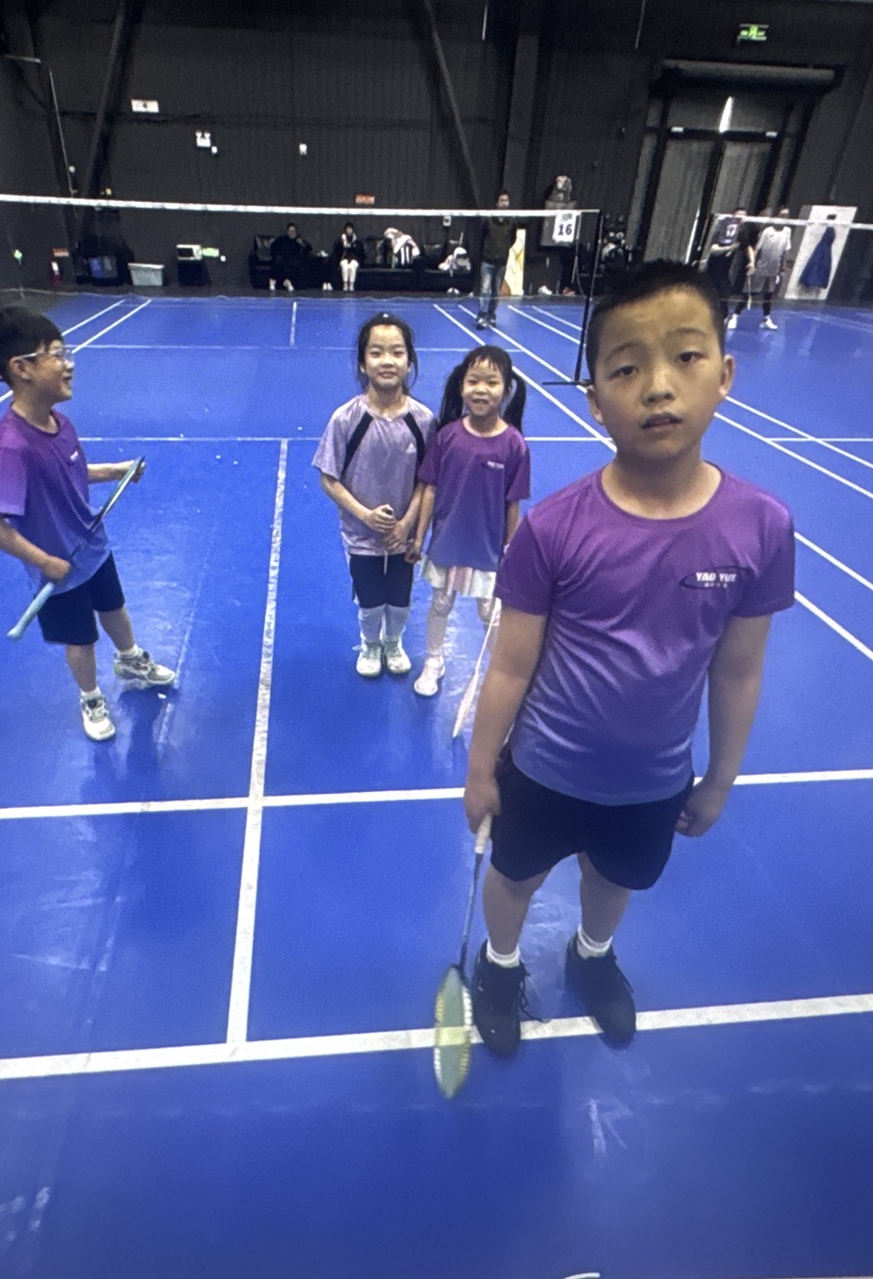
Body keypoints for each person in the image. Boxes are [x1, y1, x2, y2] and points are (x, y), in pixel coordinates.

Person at [461, 261, 795, 1058]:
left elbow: (738, 669)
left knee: (614, 880)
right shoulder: (552, 529)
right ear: (594, 400)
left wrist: (720, 778)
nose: (658, 387)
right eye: (626, 368)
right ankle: (499, 964)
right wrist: (480, 768)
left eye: (686, 355)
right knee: (515, 878)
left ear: (725, 374)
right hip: (543, 769)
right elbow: (509, 665)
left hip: (653, 781)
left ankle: (592, 953)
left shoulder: (761, 527)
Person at [0, 308, 176, 742]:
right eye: (57, 354)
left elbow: (72, 472)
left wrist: (115, 471)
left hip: (92, 547)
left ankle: (130, 660)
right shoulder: (13, 446)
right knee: (80, 639)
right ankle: (91, 696)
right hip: (58, 568)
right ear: (22, 368)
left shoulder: (59, 423)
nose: (69, 364)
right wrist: (44, 561)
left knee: (114, 609)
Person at [314, 313, 439, 677]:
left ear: (409, 361)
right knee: (370, 599)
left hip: (403, 537)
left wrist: (408, 526)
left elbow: (427, 481)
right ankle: (370, 643)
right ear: (362, 362)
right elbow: (329, 479)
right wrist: (365, 515)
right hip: (360, 535)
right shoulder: (345, 419)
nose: (387, 361)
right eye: (376, 352)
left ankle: (393, 641)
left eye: (397, 352)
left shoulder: (423, 420)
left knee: (400, 598)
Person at [411, 345, 531, 697]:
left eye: (491, 382)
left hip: (487, 547)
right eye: (473, 381)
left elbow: (512, 504)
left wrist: (510, 550)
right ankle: (434, 660)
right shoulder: (447, 436)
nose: (481, 390)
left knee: (490, 612)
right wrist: (418, 538)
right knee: (440, 603)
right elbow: (430, 489)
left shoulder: (514, 445)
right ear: (461, 385)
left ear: (506, 390)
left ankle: (500, 671)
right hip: (448, 541)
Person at [733, 206, 792, 331]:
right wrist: (753, 264)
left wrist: (782, 269)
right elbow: (757, 249)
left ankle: (766, 319)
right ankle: (735, 316)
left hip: (774, 269)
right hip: (761, 267)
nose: (784, 218)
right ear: (777, 216)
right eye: (782, 215)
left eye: (786, 216)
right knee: (750, 293)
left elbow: (785, 251)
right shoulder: (767, 231)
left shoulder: (787, 231)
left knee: (768, 295)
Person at [477, 192, 518, 329]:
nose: (504, 203)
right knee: (485, 290)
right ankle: (482, 316)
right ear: (497, 203)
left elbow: (513, 239)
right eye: (502, 200)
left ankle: (491, 316)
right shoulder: (488, 219)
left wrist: (503, 249)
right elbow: (481, 237)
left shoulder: (511, 221)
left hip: (502, 262)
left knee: (496, 292)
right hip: (487, 261)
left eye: (506, 200)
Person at [703, 207, 747, 308]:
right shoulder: (721, 231)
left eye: (743, 217)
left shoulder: (740, 234)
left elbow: (747, 247)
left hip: (724, 272)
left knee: (723, 299)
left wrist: (752, 262)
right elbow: (713, 250)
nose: (741, 219)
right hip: (712, 270)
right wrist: (730, 248)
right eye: (739, 216)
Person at [268, 222, 307, 291]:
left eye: (294, 231)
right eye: (290, 231)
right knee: (278, 265)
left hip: (295, 262)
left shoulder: (299, 240)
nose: (292, 233)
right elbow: (273, 247)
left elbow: (308, 248)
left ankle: (287, 282)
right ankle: (280, 282)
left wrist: (302, 244)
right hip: (282, 261)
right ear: (287, 232)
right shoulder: (282, 239)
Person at [334, 222, 364, 292]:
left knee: (352, 266)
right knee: (345, 266)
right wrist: (343, 243)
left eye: (350, 229)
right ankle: (345, 284)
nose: (349, 231)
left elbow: (360, 253)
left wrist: (352, 246)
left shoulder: (357, 241)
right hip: (344, 259)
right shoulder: (340, 241)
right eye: (347, 229)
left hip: (354, 260)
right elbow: (337, 252)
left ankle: (351, 284)